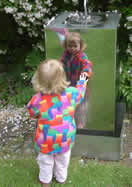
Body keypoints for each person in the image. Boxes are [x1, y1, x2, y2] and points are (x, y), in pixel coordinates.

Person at [27, 59, 88, 187]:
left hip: (45, 140)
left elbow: (32, 112)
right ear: (62, 78)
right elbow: (81, 92)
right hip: (64, 139)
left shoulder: (38, 100)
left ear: (39, 80)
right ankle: (61, 179)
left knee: (45, 162)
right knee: (63, 161)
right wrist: (82, 81)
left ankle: (45, 181)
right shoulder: (71, 94)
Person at [60, 32, 92, 128]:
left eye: (75, 46)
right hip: (69, 84)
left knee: (82, 105)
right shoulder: (65, 55)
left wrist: (85, 73)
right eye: (70, 46)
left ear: (80, 46)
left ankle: (81, 123)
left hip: (81, 84)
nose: (73, 48)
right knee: (69, 102)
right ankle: (70, 118)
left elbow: (87, 65)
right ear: (66, 46)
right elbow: (60, 63)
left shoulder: (82, 56)